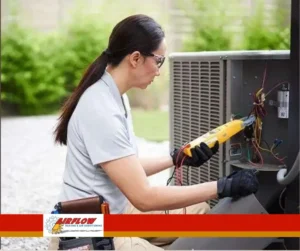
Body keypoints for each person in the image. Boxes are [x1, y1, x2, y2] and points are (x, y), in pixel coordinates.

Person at [49, 14, 259, 250]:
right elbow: (144, 197)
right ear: (136, 58)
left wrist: (177, 157)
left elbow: (127, 166)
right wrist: (223, 186)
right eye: (159, 61)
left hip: (116, 211)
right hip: (85, 229)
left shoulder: (116, 97)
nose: (159, 71)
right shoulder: (101, 109)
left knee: (200, 211)